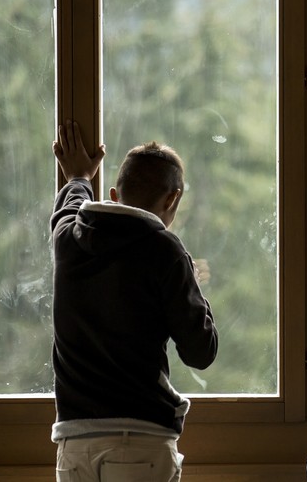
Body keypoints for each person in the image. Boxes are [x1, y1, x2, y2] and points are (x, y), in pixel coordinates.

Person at [50, 120, 218, 482]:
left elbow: (69, 206)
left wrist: (78, 175)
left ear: (114, 194)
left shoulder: (68, 238)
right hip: (140, 440)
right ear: (172, 198)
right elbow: (201, 352)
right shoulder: (166, 251)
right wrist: (190, 278)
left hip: (74, 443)